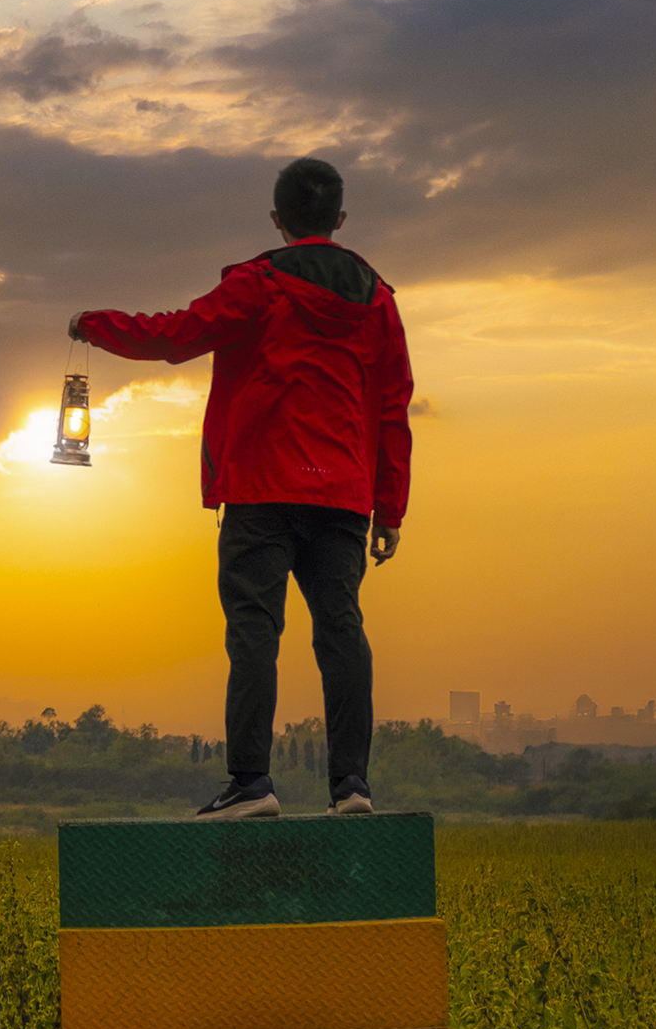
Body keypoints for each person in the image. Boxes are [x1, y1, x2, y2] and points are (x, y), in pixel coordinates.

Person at [69, 156, 412, 820]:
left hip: (261, 486)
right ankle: (352, 787)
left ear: (278, 219)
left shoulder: (258, 284)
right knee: (341, 630)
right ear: (339, 220)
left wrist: (97, 323)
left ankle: (252, 785)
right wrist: (389, 506)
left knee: (255, 631)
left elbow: (175, 337)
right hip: (342, 493)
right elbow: (394, 404)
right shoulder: (379, 300)